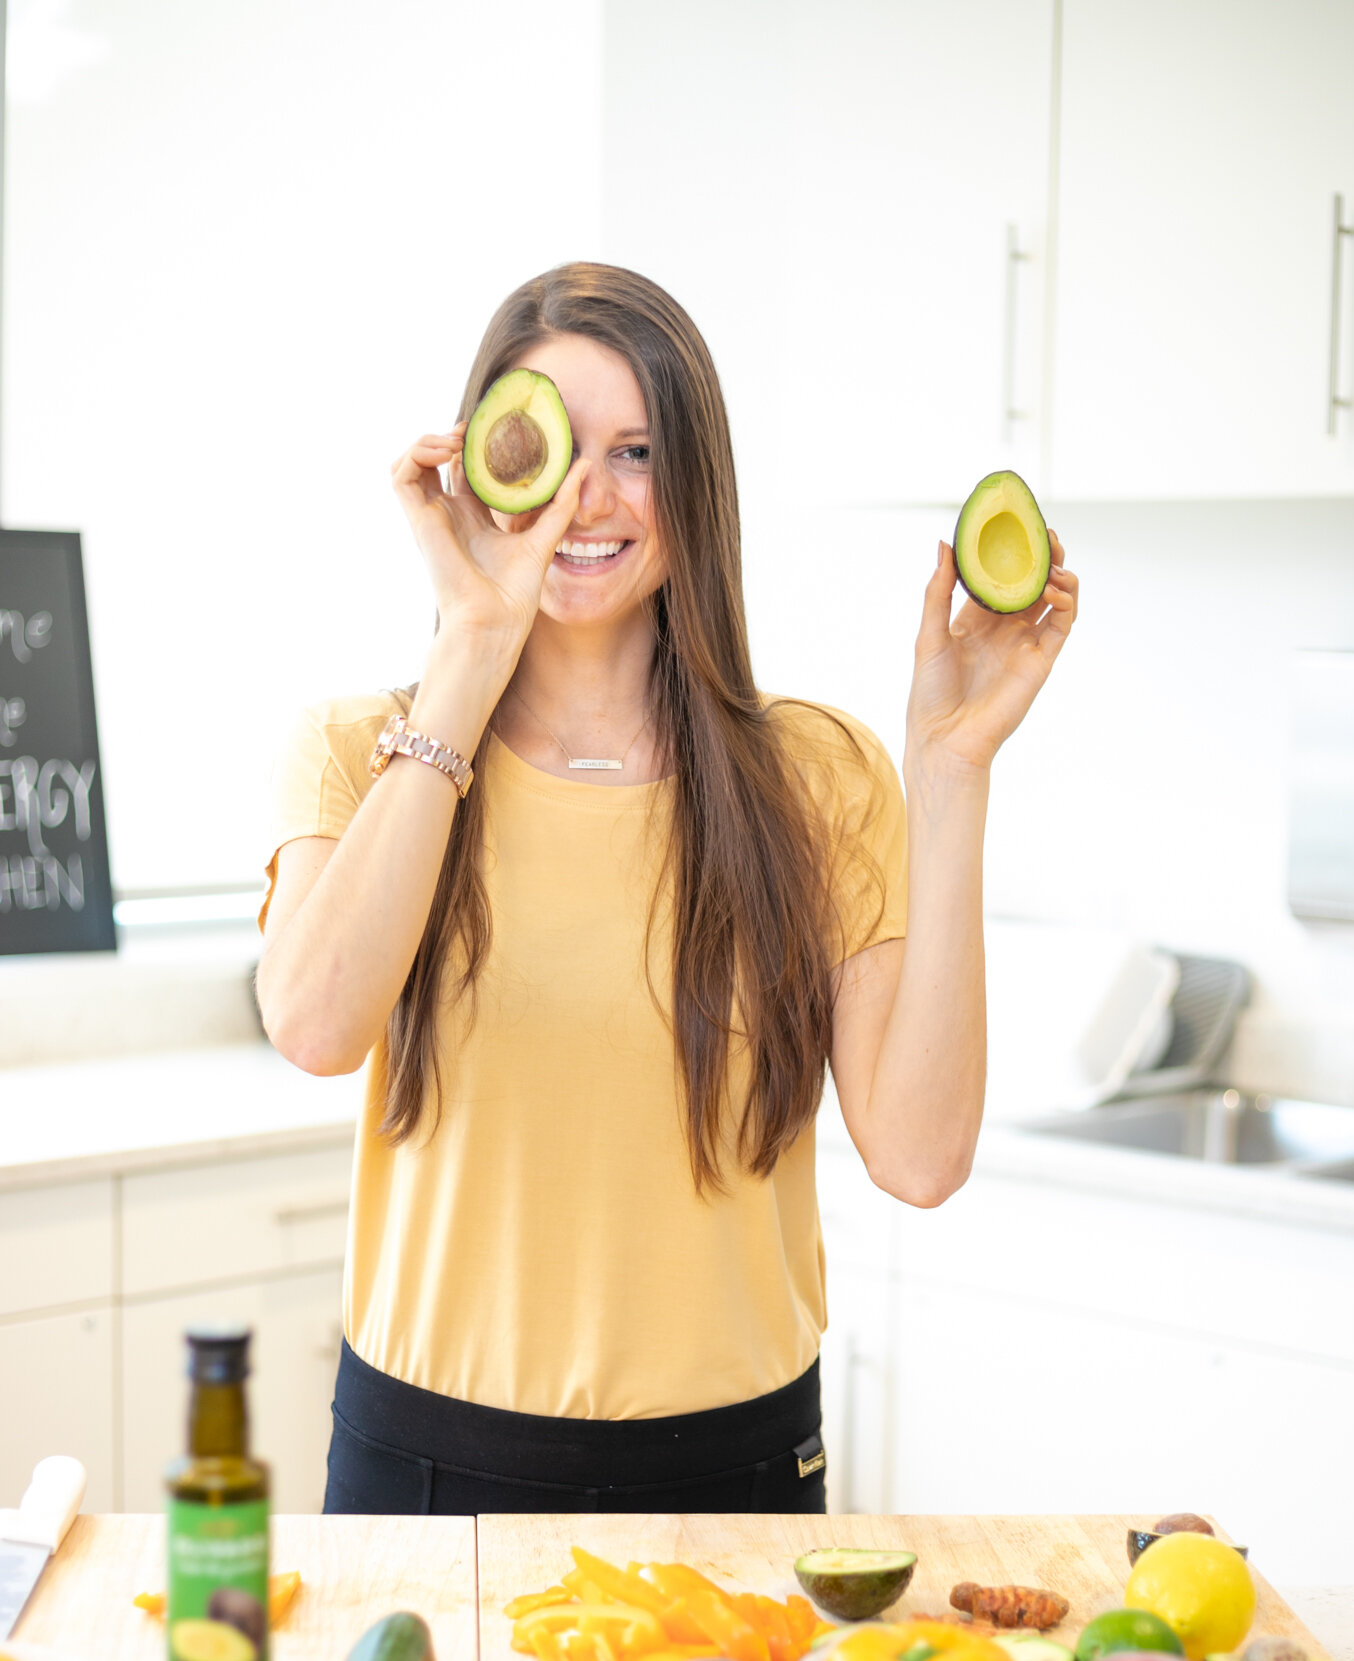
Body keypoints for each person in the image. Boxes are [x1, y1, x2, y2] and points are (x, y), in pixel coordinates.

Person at [255, 262, 1078, 1515]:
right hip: (425, 1466)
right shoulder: (358, 746)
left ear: (695, 483)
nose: (587, 495)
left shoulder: (819, 775)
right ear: (480, 462)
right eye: (549, 443)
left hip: (739, 1470)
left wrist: (951, 769)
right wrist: (471, 648)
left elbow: (919, 1155)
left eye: (636, 451)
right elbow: (314, 1027)